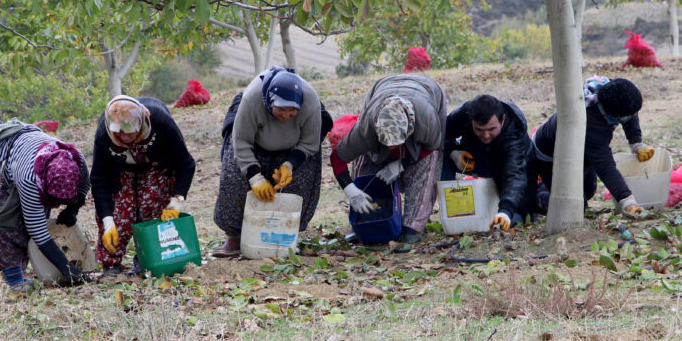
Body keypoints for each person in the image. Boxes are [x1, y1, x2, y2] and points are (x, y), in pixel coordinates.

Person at [213, 68, 327, 258]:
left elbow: (310, 142)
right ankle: (234, 237)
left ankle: (286, 236)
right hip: (254, 144)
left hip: (293, 147)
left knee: (300, 181)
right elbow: (240, 142)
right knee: (234, 177)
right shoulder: (252, 99)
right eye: (281, 109)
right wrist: (255, 178)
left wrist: (289, 165)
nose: (286, 115)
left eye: (292, 110)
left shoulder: (310, 102)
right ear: (268, 102)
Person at [0, 121, 89, 291]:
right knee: (7, 221)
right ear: (44, 184)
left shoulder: (76, 159)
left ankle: (17, 273)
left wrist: (72, 209)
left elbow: (84, 185)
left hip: (23, 152)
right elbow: (37, 231)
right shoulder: (29, 179)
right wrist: (67, 268)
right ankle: (12, 280)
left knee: (37, 215)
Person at [332, 73, 447, 245]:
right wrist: (350, 190)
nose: (390, 148)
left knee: (426, 166)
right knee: (366, 161)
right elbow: (337, 158)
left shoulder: (426, 121)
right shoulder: (365, 129)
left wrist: (402, 163)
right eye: (385, 143)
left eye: (395, 144)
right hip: (380, 90)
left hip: (427, 92)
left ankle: (412, 226)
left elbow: (432, 148)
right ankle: (363, 223)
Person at [90, 95, 196, 274]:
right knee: (120, 214)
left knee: (152, 209)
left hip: (155, 168)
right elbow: (99, 179)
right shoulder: (104, 133)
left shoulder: (161, 123)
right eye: (120, 134)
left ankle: (146, 259)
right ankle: (111, 263)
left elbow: (186, 164)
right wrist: (108, 222)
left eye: (130, 132)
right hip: (121, 171)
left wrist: (176, 201)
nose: (126, 137)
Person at [531, 77, 654, 216]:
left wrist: (636, 143)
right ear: (615, 114)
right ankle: (530, 199)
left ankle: (546, 187)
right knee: (574, 206)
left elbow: (631, 114)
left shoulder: (612, 91)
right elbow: (605, 166)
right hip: (551, 157)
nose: (633, 116)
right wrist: (627, 200)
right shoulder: (590, 122)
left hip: (580, 153)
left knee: (588, 190)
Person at [442, 95, 536, 230]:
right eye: (479, 130)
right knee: (439, 156)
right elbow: (441, 133)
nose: (485, 135)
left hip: (511, 173)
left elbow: (515, 174)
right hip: (474, 160)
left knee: (515, 218)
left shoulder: (514, 132)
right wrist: (453, 152)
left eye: (491, 129)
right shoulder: (464, 114)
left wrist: (505, 210)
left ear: (502, 120)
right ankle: (453, 213)